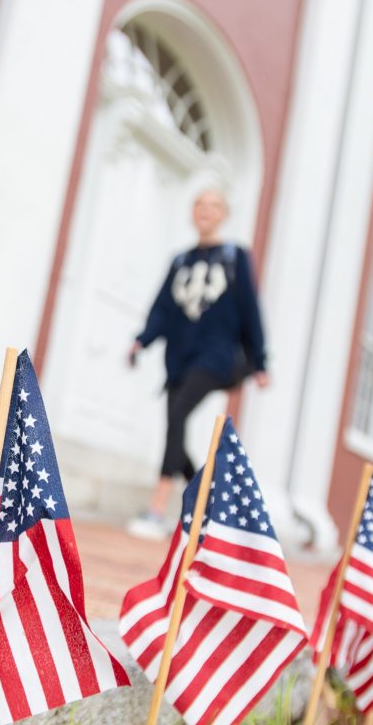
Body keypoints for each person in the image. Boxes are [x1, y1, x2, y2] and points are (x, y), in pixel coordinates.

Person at [126, 188, 269, 540]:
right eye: (199, 205)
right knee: (176, 426)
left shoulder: (236, 256)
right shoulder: (180, 261)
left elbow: (251, 310)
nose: (205, 211)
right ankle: (208, 507)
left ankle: (157, 510)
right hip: (179, 357)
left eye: (214, 205)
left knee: (177, 417)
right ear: (192, 213)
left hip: (215, 357)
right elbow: (162, 309)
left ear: (224, 214)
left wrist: (260, 360)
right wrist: (142, 340)